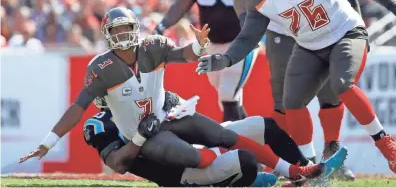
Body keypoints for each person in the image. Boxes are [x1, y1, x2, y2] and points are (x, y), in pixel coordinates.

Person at [197, 0, 396, 174]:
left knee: (342, 85)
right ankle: (309, 166)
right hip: (309, 45)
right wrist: (224, 59)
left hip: (345, 32)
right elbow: (248, 37)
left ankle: (384, 141)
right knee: (292, 102)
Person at [18, 7, 328, 182]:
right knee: (197, 156)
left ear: (136, 29)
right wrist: (49, 141)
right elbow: (77, 107)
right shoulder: (102, 68)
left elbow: (184, 55)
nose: (123, 36)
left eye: (127, 29)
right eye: (117, 31)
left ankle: (295, 170)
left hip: (168, 114)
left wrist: (199, 46)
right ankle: (246, 173)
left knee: (224, 134)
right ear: (107, 36)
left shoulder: (153, 47)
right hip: (144, 135)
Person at [234, 0, 358, 180]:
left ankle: (331, 154)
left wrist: (356, 27)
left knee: (330, 93)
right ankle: (294, 161)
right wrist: (251, 32)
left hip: (321, 30)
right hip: (283, 34)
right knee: (283, 101)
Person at [83, 99, 346, 186]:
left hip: (202, 145)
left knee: (266, 126)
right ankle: (259, 182)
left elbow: (188, 123)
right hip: (182, 170)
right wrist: (140, 136)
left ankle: (307, 175)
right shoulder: (101, 123)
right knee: (247, 162)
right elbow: (118, 164)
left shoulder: (146, 95)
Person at [154, 0, 258, 121]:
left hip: (242, 41)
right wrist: (163, 24)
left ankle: (231, 148)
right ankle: (255, 140)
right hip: (211, 44)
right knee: (228, 99)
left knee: (228, 96)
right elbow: (185, 0)